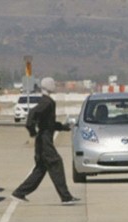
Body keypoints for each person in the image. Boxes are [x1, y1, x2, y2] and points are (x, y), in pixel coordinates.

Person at [11, 77, 81, 205]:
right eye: (52, 84)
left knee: (41, 169)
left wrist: (63, 127)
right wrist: (32, 131)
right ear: (48, 86)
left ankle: (20, 192)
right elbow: (32, 114)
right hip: (44, 141)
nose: (54, 85)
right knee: (56, 163)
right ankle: (65, 197)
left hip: (43, 139)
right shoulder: (47, 102)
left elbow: (49, 123)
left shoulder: (47, 101)